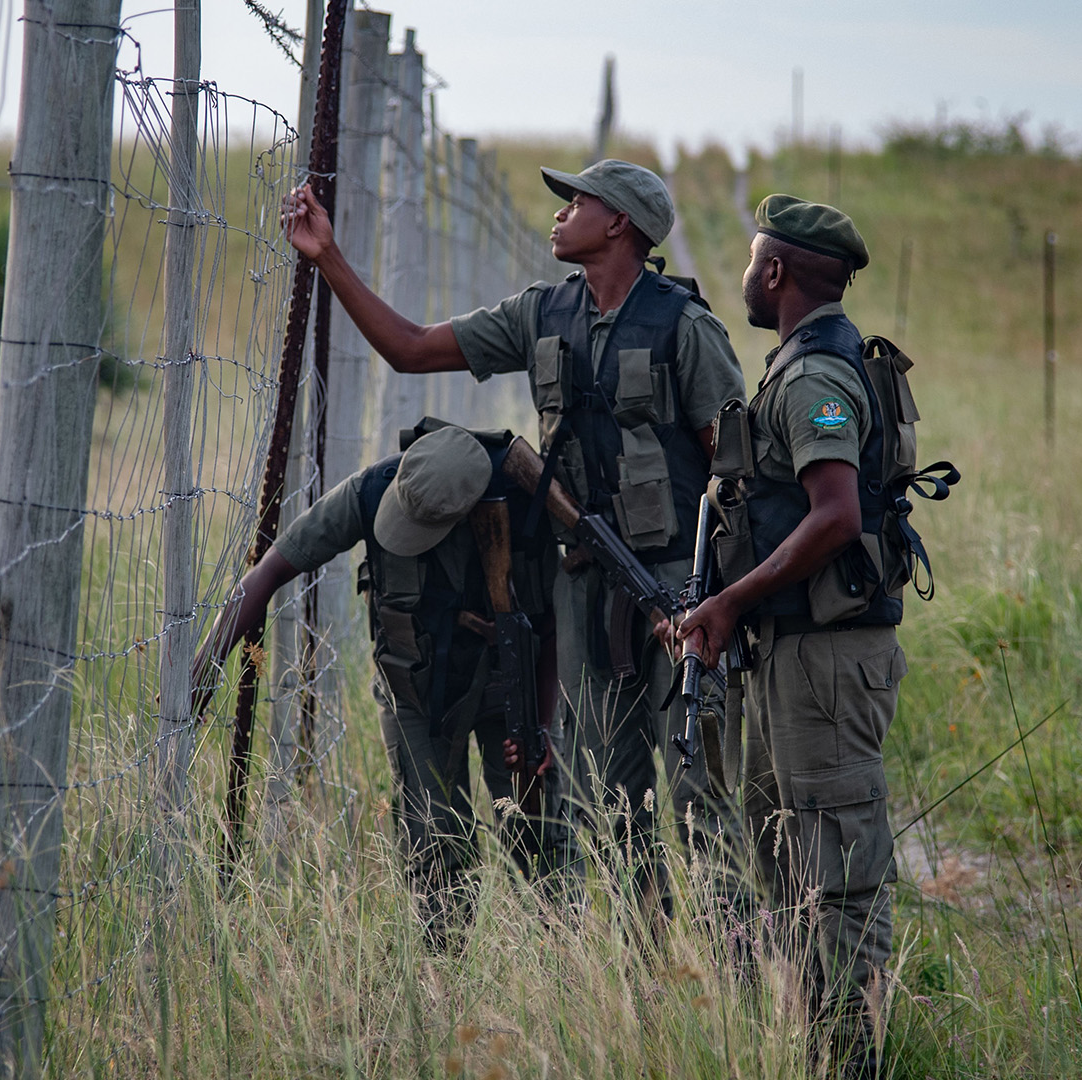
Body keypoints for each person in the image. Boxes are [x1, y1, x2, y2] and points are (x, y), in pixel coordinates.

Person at [282, 159, 746, 919]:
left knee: (698, 792)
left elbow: (735, 481)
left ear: (621, 223)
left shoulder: (685, 329)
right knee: (606, 802)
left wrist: (723, 603)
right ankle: (647, 980)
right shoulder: (541, 314)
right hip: (583, 589)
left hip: (680, 591)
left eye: (579, 201)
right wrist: (328, 257)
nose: (560, 212)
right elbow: (409, 346)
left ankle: (735, 968)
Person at [672, 194, 907, 1078]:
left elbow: (836, 515)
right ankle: (819, 1053)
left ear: (776, 272)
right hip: (796, 654)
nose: (743, 271)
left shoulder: (811, 377)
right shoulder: (800, 365)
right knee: (793, 865)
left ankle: (851, 1062)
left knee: (834, 870)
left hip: (826, 658)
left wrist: (730, 602)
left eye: (752, 256)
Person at [192, 423, 560, 947]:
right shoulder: (372, 490)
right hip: (414, 692)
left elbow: (549, 626)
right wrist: (207, 665)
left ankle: (558, 967)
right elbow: (269, 572)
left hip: (510, 688)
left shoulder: (525, 504)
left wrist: (539, 727)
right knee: (433, 840)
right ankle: (444, 977)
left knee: (536, 832)